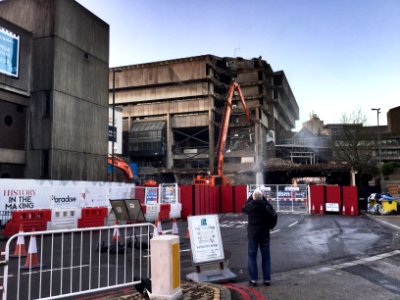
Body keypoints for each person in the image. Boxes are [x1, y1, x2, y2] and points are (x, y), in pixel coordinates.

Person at [242, 188, 275, 287]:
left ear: (253, 197)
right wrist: (263, 198)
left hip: (253, 235)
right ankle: (267, 280)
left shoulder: (250, 206)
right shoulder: (266, 206)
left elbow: (243, 207)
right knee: (266, 257)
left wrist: (250, 198)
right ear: (262, 197)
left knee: (252, 256)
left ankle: (253, 279)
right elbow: (273, 212)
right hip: (264, 234)